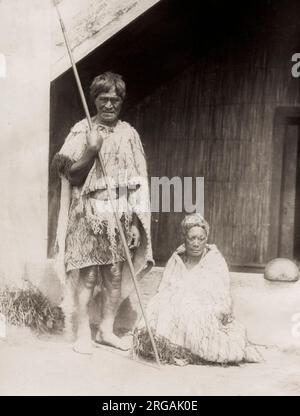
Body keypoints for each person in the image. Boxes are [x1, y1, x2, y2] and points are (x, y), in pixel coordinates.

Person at [52, 72, 153, 354]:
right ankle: (84, 332)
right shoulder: (82, 130)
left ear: (121, 101)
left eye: (115, 100)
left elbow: (136, 181)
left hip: (119, 213)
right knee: (88, 277)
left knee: (114, 276)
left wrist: (134, 221)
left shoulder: (128, 134)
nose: (109, 105)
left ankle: (106, 329)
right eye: (103, 99)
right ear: (94, 100)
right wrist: (91, 149)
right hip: (87, 213)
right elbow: (70, 175)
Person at [133, 213, 262, 365]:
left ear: (206, 239)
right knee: (157, 309)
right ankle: (176, 348)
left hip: (205, 310)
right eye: (191, 238)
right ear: (184, 238)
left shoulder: (215, 261)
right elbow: (164, 289)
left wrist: (212, 310)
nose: (196, 243)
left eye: (201, 239)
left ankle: (190, 348)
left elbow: (222, 297)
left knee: (199, 325)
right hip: (177, 310)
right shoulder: (176, 260)